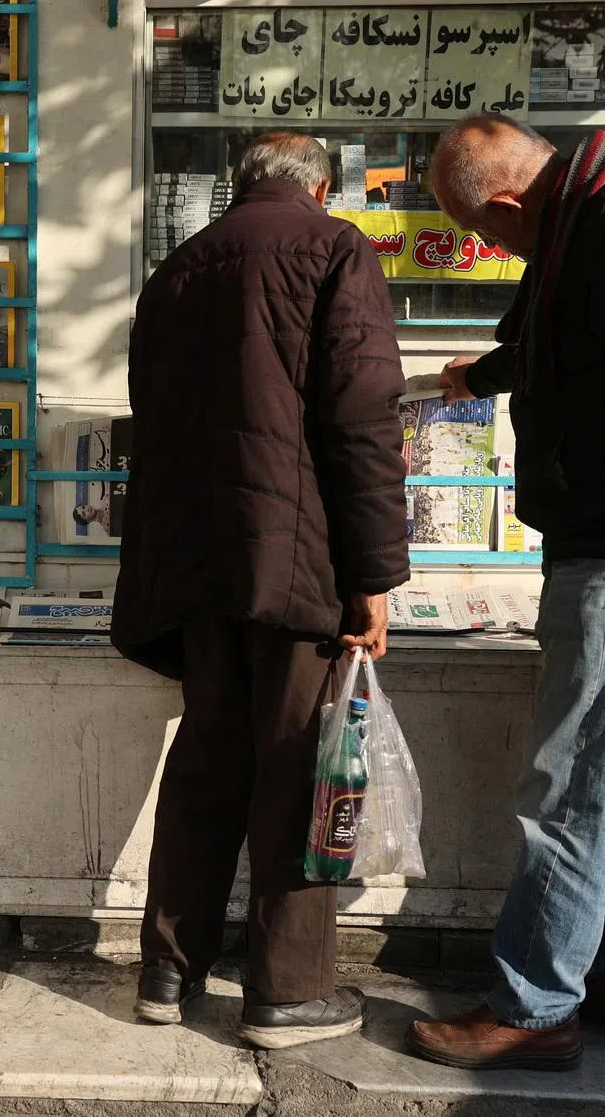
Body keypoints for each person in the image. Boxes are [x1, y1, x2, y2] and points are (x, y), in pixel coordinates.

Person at [111, 132, 410, 1050]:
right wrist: (375, 575)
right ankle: (286, 993)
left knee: (207, 758)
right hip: (298, 560)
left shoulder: (178, 268)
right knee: (300, 767)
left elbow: (153, 422)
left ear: (241, 186)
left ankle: (167, 970)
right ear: (322, 186)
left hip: (199, 563)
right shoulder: (335, 247)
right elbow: (362, 416)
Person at [408, 115, 605, 1072]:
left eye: (486, 233)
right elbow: (564, 348)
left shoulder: (594, 227)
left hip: (604, 548)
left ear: (508, 204)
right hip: (591, 536)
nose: (496, 251)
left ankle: (536, 1007)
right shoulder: (578, 214)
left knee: (571, 785)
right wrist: (480, 375)